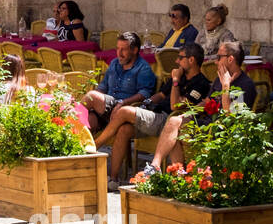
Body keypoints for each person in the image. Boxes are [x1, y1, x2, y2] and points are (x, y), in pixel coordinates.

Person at [92, 42, 210, 183]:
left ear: (191, 60)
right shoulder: (181, 75)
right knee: (124, 129)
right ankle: (113, 178)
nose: (177, 61)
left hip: (167, 121)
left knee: (124, 111)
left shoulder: (201, 83)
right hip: (155, 115)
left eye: (180, 57)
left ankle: (95, 146)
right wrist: (145, 104)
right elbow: (160, 95)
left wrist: (176, 81)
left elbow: (174, 106)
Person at [149, 40, 256, 169]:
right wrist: (188, 114)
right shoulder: (219, 79)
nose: (216, 62)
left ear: (230, 59)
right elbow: (207, 102)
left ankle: (159, 169)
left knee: (174, 127)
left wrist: (226, 86)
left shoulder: (245, 85)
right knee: (174, 123)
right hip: (206, 123)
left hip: (221, 131)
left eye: (219, 57)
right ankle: (171, 173)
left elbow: (231, 117)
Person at [81, 32, 156, 133]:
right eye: (118, 48)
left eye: (123, 50)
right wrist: (93, 106)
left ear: (134, 50)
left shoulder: (143, 68)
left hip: (125, 108)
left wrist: (123, 102)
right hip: (106, 110)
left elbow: (144, 94)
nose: (119, 53)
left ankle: (66, 123)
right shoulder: (114, 63)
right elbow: (103, 87)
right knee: (86, 121)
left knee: (91, 96)